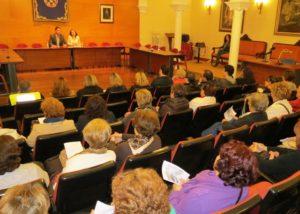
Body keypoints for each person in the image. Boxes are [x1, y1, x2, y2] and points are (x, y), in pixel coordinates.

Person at [169, 140, 259, 214]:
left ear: (221, 163)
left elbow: (173, 211)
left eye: (220, 155)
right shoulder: (244, 189)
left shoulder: (197, 197)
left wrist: (175, 191)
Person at [202, 92, 269, 136]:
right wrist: (238, 119)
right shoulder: (264, 114)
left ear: (251, 104)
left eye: (249, 102)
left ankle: (203, 137)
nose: (248, 103)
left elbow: (230, 128)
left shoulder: (248, 119)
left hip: (235, 135)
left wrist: (225, 122)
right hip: (245, 132)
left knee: (218, 124)